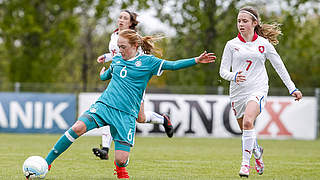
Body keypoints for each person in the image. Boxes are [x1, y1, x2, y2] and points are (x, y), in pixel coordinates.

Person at [45, 29, 216, 179]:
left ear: (135, 45)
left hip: (126, 115)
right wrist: (103, 74)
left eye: (123, 47)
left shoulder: (149, 62)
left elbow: (172, 65)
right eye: (118, 47)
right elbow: (108, 75)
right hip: (105, 106)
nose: (120, 51)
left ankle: (120, 170)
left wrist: (196, 60)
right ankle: (46, 163)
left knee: (120, 159)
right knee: (77, 128)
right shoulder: (118, 59)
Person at [219, 6, 302, 178]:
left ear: (254, 23)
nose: (241, 24)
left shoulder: (264, 44)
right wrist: (234, 76)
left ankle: (244, 165)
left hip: (258, 89)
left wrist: (292, 88)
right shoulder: (231, 45)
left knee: (249, 122)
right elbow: (223, 72)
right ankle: (257, 152)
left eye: (245, 21)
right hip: (237, 93)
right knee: (245, 130)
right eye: (239, 21)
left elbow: (279, 66)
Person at [93, 10, 173, 160]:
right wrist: (106, 56)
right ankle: (105, 148)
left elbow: (139, 60)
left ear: (131, 23)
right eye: (120, 17)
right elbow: (117, 54)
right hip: (118, 78)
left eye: (125, 18)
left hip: (133, 86)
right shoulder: (114, 36)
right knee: (109, 108)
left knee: (140, 118)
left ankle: (163, 119)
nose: (121, 20)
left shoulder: (135, 39)